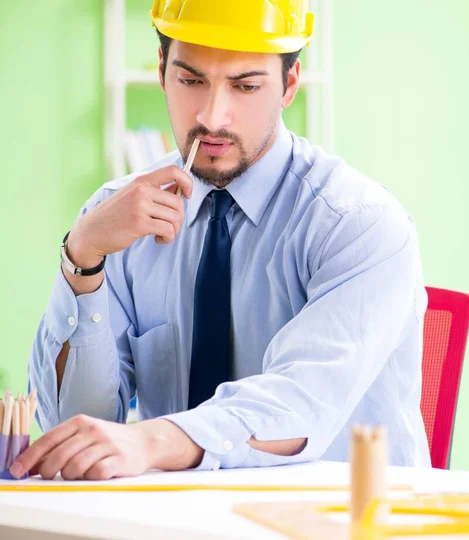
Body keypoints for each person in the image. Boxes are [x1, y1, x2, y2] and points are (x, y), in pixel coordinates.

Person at [11, 0, 430, 481]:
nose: (213, 116)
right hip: (176, 523)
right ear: (163, 69)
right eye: (191, 80)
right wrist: (83, 257)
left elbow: (300, 405)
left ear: (289, 84)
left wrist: (151, 439)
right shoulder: (116, 217)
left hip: (338, 521)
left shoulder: (358, 224)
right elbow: (75, 429)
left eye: (245, 85)